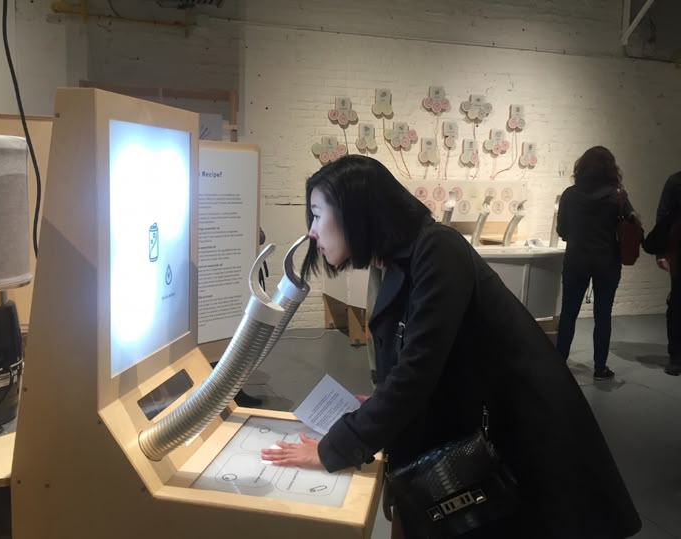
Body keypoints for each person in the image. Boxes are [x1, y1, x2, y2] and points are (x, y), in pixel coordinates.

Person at [260, 155, 641, 538]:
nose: (312, 231)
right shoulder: (399, 262)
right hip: (469, 424)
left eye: (317, 214)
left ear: (356, 211)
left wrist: (333, 449)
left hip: (522, 440)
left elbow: (416, 373)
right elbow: (415, 363)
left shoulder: (437, 250)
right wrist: (374, 408)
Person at [555, 146, 637, 380]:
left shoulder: (570, 194)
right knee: (603, 316)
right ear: (611, 169)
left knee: (569, 313)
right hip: (607, 262)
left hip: (576, 260)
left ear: (582, 167)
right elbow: (631, 223)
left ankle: (560, 363)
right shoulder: (618, 195)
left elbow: (562, 230)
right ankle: (600, 368)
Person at [643, 171, 681, 376]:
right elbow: (663, 218)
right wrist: (660, 252)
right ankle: (676, 356)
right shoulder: (675, 181)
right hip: (678, 251)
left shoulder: (674, 181)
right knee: (677, 303)